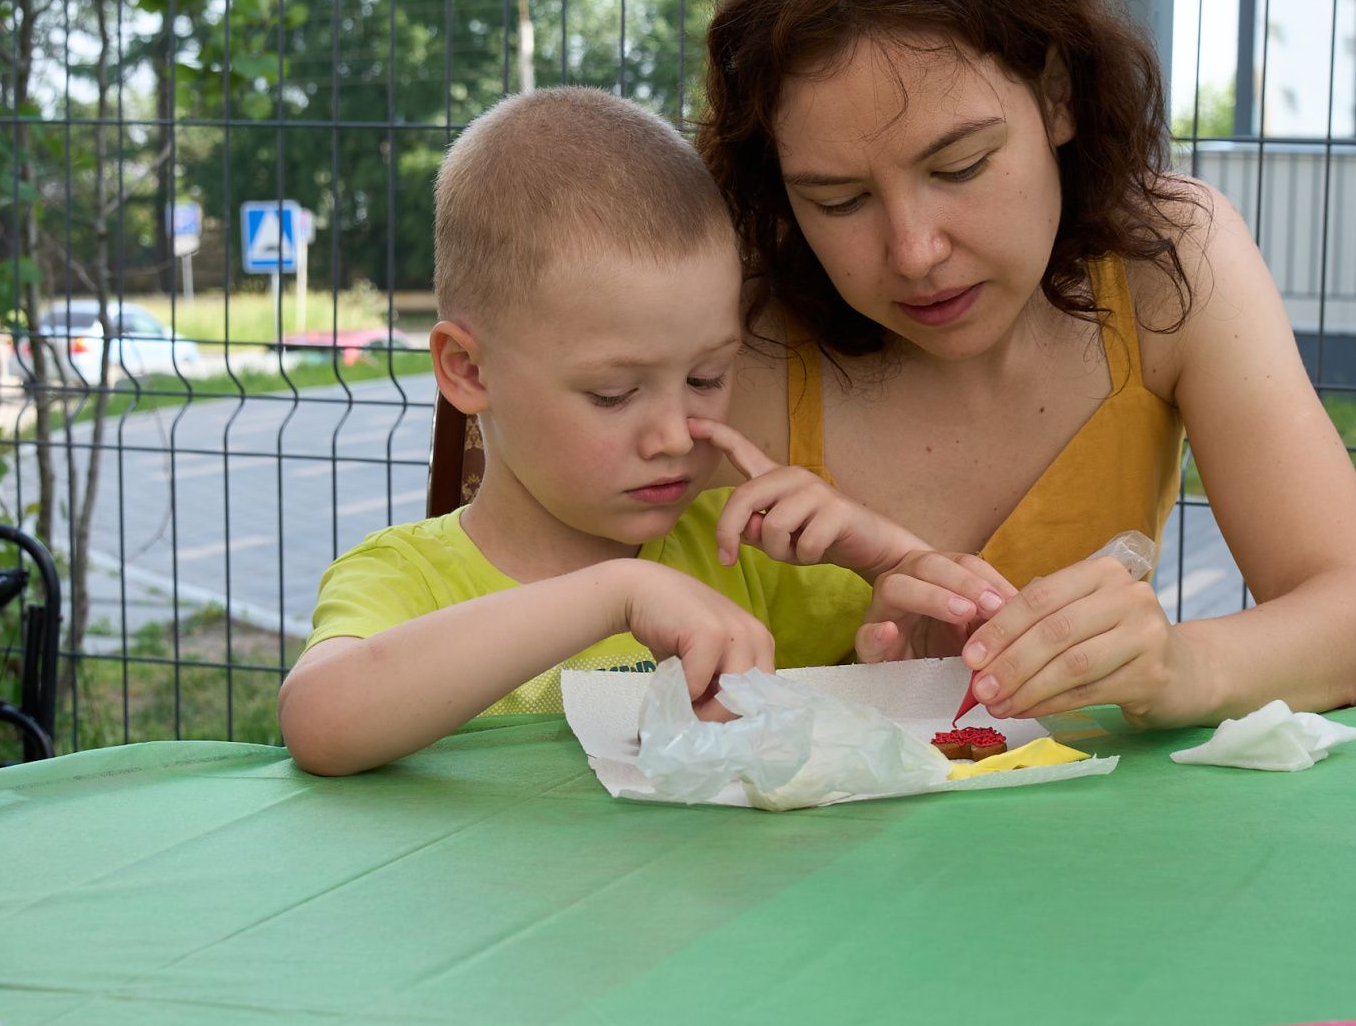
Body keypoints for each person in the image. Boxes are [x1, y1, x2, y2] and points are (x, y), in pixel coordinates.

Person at [697, 0, 1356, 731]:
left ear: (1059, 96)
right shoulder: (730, 340)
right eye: (837, 200)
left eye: (960, 166)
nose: (915, 252)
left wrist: (1183, 665)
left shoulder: (1169, 261)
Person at [278, 87, 982, 776]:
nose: (676, 435)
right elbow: (320, 722)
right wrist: (614, 591)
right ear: (466, 370)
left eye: (707, 378)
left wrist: (890, 561)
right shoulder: (409, 577)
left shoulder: (740, 556)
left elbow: (943, 677)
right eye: (613, 394)